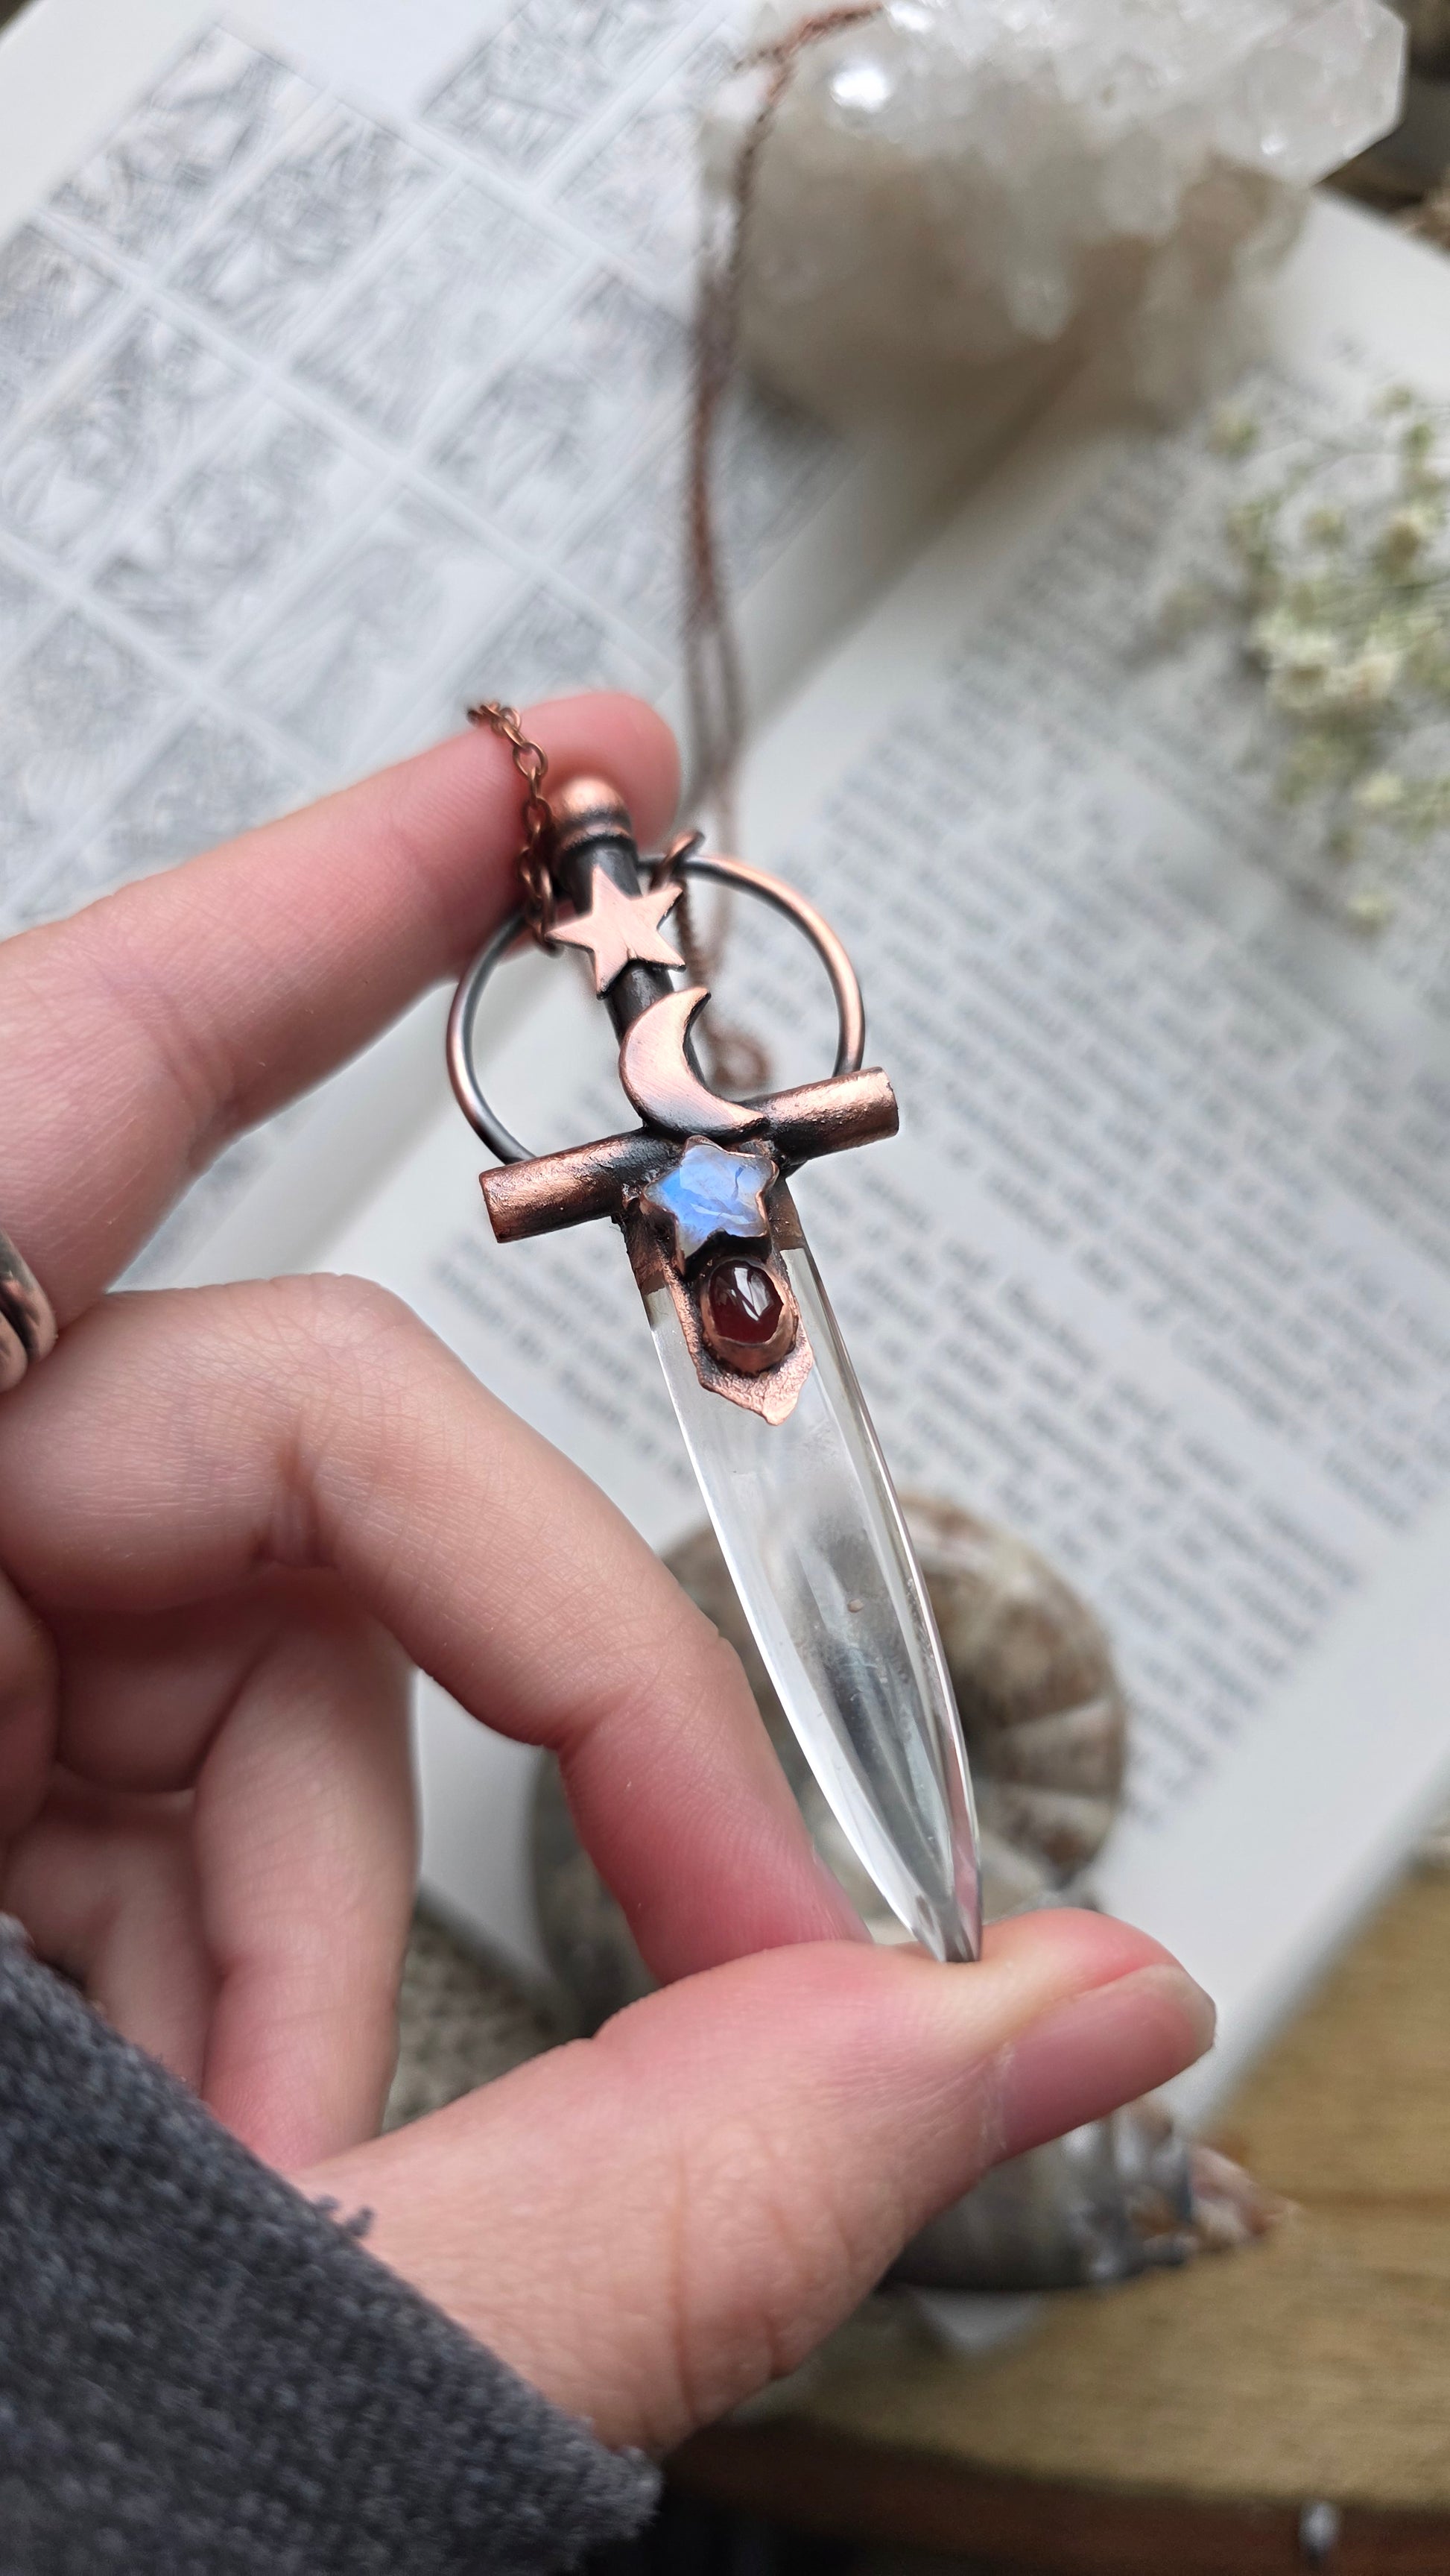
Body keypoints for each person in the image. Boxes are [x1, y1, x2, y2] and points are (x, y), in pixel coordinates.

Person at [0, 693, 1214, 2570]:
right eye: (619, 924)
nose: (621, 942)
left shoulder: (708, 1155)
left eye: (619, 929)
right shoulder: (678, 1160)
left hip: (704, 1163)